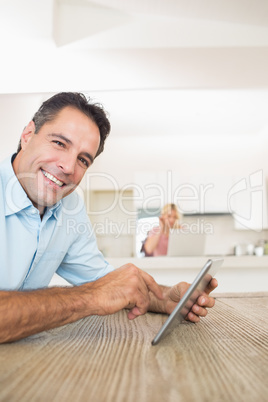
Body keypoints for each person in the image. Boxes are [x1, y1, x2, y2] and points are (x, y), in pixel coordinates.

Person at [0, 92, 217, 343]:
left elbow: (103, 281)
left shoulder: (69, 206)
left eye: (83, 159)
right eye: (59, 143)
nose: (69, 167)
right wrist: (90, 297)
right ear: (27, 135)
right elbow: (98, 290)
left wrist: (164, 297)